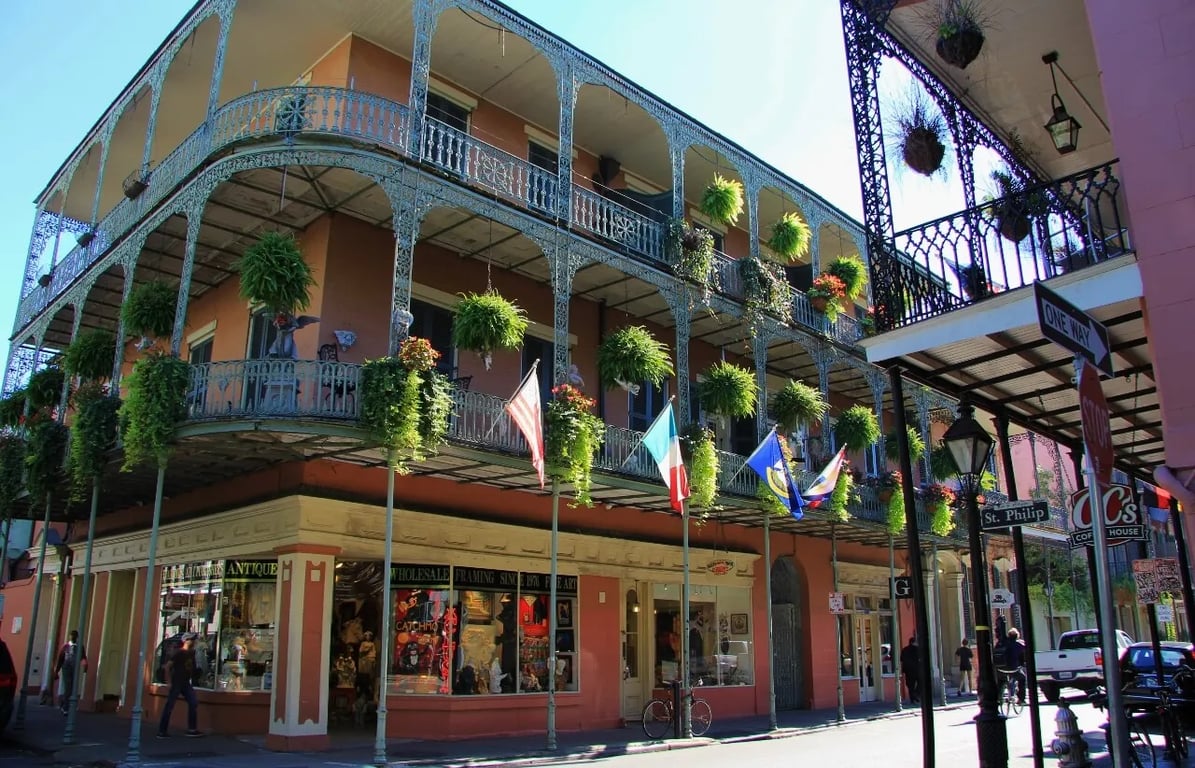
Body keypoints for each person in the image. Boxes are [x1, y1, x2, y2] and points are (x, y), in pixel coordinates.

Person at [158, 634, 202, 738]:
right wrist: (169, 682)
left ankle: (192, 729)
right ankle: (162, 731)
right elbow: (167, 667)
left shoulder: (191, 653)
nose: (194, 642)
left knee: (193, 702)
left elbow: (191, 669)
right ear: (186, 641)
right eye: (192, 640)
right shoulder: (179, 653)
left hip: (185, 682)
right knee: (170, 705)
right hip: (177, 682)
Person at [54, 630, 87, 715]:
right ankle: (66, 707)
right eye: (72, 636)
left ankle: (65, 703)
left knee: (73, 686)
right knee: (68, 686)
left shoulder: (80, 647)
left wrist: (85, 665)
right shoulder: (65, 646)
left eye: (75, 636)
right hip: (66, 667)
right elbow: (60, 659)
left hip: (75, 668)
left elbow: (83, 657)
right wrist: (56, 671)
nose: (73, 637)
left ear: (77, 637)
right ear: (70, 636)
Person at [998, 628, 1027, 704]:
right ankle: (1021, 699)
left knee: (1001, 680)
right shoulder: (1019, 645)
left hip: (1001, 668)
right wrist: (1021, 665)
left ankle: (998, 697)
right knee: (1022, 678)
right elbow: (1022, 658)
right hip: (1013, 669)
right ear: (1017, 636)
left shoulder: (1002, 643)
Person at [900, 636, 921, 704]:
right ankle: (915, 694)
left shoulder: (904, 650)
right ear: (913, 642)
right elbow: (920, 659)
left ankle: (912, 698)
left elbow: (901, 660)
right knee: (920, 682)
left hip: (908, 670)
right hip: (916, 669)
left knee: (910, 685)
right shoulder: (917, 649)